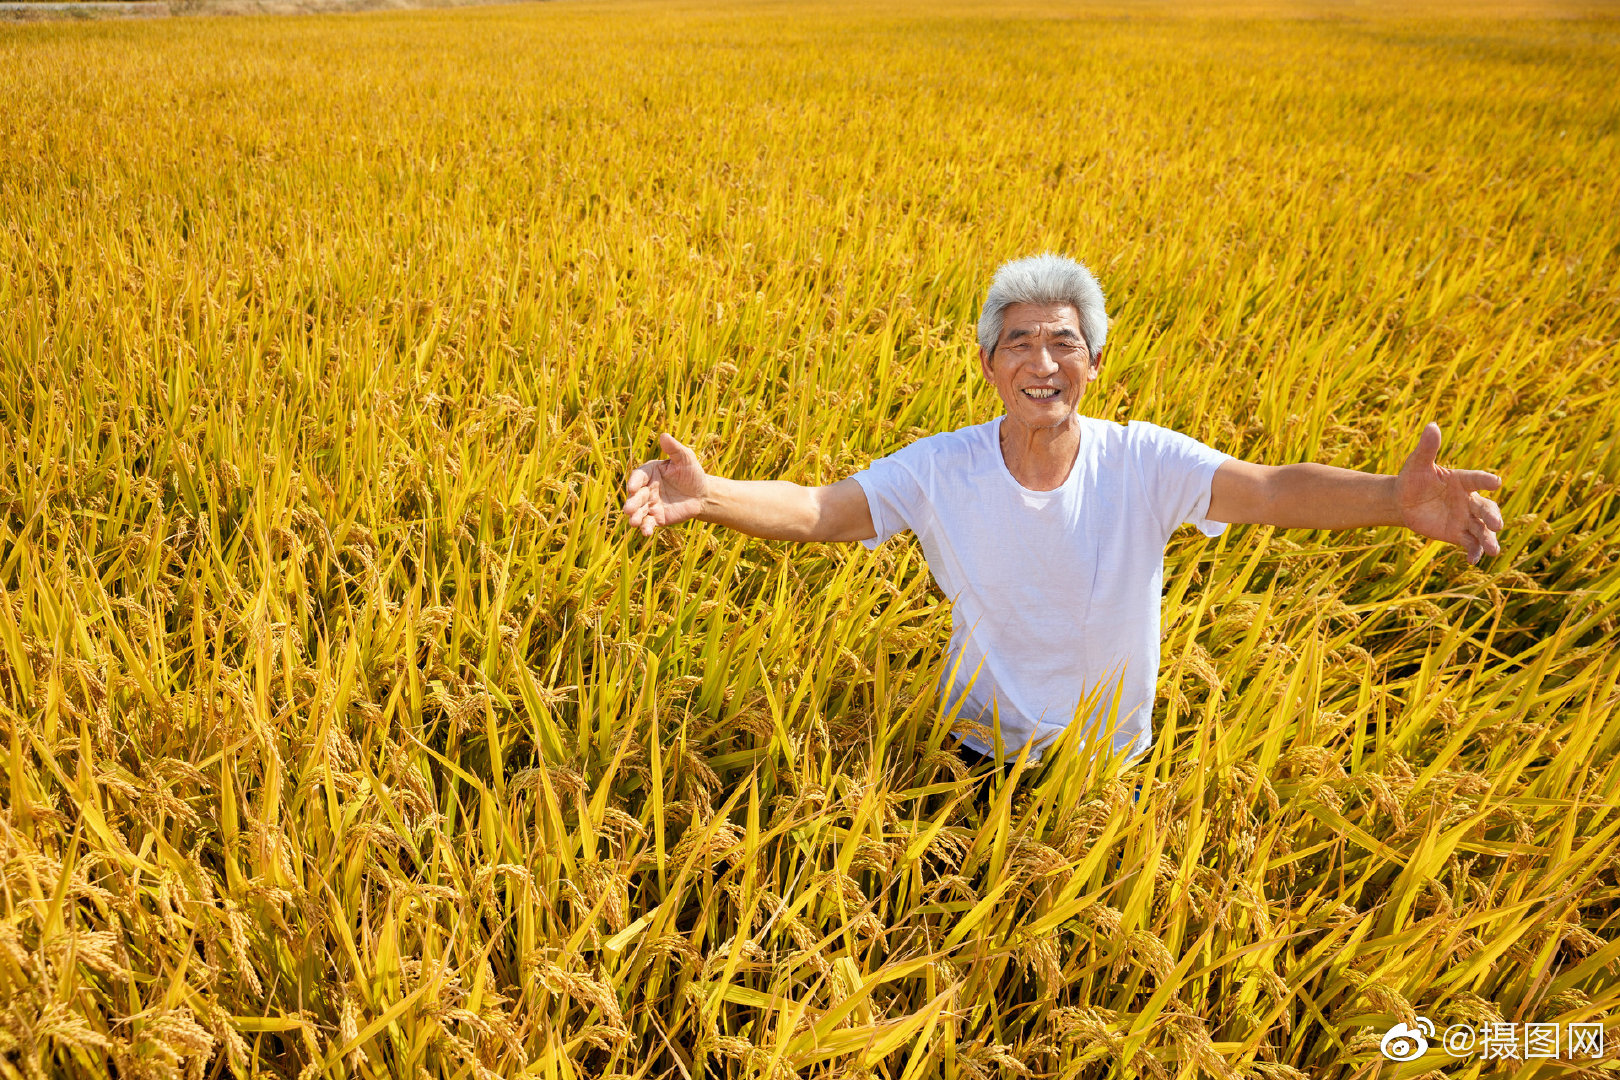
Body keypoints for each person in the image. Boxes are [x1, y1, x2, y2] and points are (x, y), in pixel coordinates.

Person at [620, 254, 1504, 773]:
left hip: (1110, 759)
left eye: (1063, 342)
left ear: (1095, 362)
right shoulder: (942, 468)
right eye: (1020, 342)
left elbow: (1270, 489)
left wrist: (1392, 500)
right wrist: (710, 494)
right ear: (987, 364)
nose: (1042, 363)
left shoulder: (1146, 460)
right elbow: (821, 509)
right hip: (976, 747)